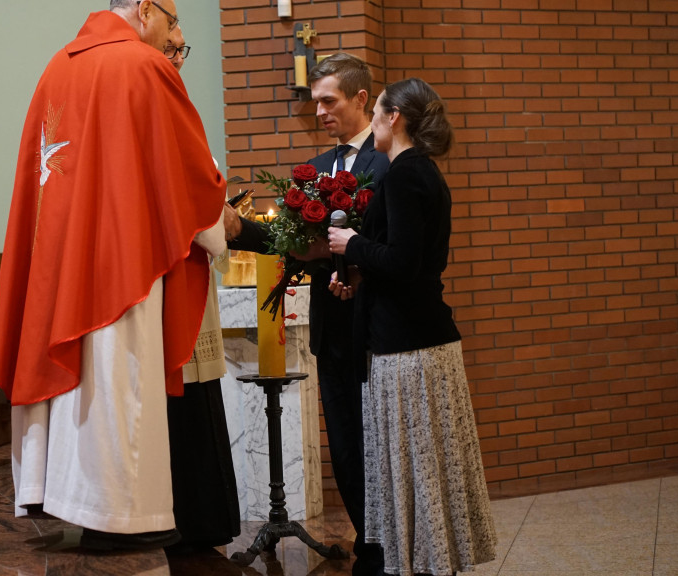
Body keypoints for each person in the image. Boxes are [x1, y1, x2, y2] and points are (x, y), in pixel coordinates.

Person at [0, 0, 226, 551]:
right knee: (117, 375)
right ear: (144, 9)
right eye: (170, 16)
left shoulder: (58, 66)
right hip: (121, 256)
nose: (173, 31)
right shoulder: (142, 65)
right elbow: (188, 173)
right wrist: (221, 222)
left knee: (73, 373)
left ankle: (65, 497)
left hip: (60, 252)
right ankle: (115, 510)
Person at [327, 77, 497, 576]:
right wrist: (360, 275)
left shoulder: (403, 175)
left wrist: (350, 244)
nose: (373, 122)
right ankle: (425, 560)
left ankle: (419, 564)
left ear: (392, 117)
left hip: (409, 349)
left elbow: (403, 262)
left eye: (377, 113)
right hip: (416, 339)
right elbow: (408, 264)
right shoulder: (421, 172)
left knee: (416, 469)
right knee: (423, 469)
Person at [225, 52, 390, 564]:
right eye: (315, 102)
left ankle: (388, 547)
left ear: (361, 99)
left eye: (328, 101)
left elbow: (389, 241)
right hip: (333, 326)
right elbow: (289, 239)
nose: (319, 112)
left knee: (377, 445)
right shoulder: (316, 170)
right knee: (343, 443)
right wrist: (237, 229)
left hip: (377, 326)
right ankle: (368, 543)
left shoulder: (386, 164)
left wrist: (337, 249)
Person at [162, 25, 241, 553]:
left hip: (182, 276)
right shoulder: (164, 111)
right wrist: (227, 226)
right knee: (186, 402)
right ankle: (198, 520)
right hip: (173, 278)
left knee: (194, 398)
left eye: (180, 50)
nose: (178, 58)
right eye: (171, 47)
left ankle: (202, 520)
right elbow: (204, 214)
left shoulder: (173, 107)